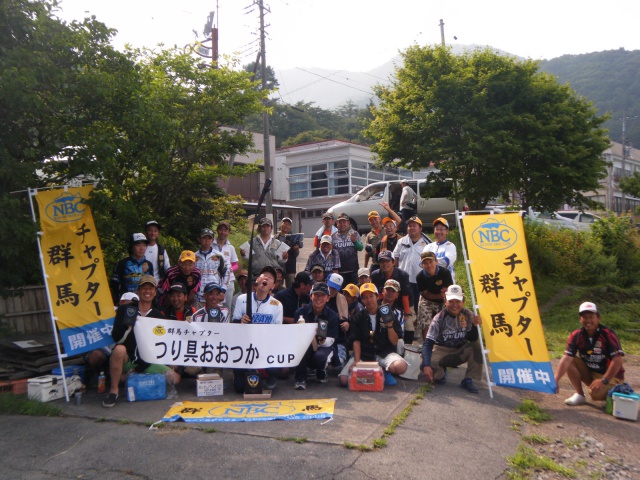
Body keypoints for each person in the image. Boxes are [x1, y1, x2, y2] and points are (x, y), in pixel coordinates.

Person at [102, 275, 180, 407]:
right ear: (138, 291)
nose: (147, 291)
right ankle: (114, 391)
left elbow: (166, 340)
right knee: (119, 349)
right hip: (129, 359)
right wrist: (128, 327)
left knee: (176, 378)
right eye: (144, 288)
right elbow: (115, 337)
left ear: (155, 292)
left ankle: (130, 377)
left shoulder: (158, 315)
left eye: (151, 288)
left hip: (147, 361)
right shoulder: (125, 310)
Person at [554, 302, 625, 406]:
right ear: (580, 319)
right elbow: (567, 358)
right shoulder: (576, 335)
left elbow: (618, 360)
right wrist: (555, 380)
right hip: (591, 374)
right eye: (584, 317)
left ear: (598, 318)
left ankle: (617, 392)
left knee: (595, 394)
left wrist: (604, 380)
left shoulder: (607, 334)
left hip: (611, 376)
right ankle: (579, 395)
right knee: (571, 360)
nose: (588, 320)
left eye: (591, 317)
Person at [339, 283, 407, 387]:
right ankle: (374, 373)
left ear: (378, 296)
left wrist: (389, 326)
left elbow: (394, 341)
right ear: (362, 300)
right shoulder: (358, 317)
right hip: (365, 354)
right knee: (343, 380)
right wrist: (357, 361)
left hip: (384, 353)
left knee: (401, 366)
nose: (369, 300)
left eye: (371, 296)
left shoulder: (388, 313)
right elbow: (356, 340)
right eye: (365, 297)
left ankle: (384, 370)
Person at [421, 285, 483, 394]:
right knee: (427, 368)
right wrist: (426, 365)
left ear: (463, 301)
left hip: (459, 351)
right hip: (441, 350)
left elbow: (473, 338)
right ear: (445, 301)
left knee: (476, 345)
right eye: (451, 301)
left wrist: (474, 325)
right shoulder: (438, 318)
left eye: (457, 301)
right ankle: (441, 372)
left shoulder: (468, 314)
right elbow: (428, 343)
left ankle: (468, 379)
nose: (454, 305)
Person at [231, 266, 283, 392]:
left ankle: (270, 376)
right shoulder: (242, 299)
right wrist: (241, 321)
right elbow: (234, 324)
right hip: (244, 347)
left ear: (273, 286)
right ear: (257, 280)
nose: (266, 278)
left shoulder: (276, 305)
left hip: (266, 346)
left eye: (270, 278)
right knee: (239, 388)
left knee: (277, 369)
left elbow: (278, 331)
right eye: (264, 275)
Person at [293, 282, 341, 390]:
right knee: (300, 349)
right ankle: (300, 378)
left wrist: (323, 340)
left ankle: (321, 369)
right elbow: (294, 336)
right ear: (311, 296)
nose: (319, 298)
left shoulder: (332, 315)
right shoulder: (300, 312)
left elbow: (333, 339)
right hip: (304, 346)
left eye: (323, 295)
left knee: (321, 356)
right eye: (316, 295)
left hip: (324, 347)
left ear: (328, 298)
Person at [371, 250, 414, 343]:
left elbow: (405, 295)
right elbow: (376, 294)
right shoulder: (375, 275)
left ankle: (407, 347)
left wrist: (406, 313)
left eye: (387, 261)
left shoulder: (403, 275)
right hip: (384, 302)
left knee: (408, 326)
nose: (385, 264)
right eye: (382, 262)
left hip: (403, 303)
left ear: (393, 262)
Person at [393, 215, 430, 313]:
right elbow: (395, 259)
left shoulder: (427, 243)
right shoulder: (401, 241)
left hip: (420, 282)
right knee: (404, 306)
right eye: (409, 226)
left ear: (420, 228)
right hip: (403, 281)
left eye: (414, 226)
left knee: (419, 307)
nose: (411, 228)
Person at [416, 251, 453, 340]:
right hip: (427, 299)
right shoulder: (419, 277)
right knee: (426, 323)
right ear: (422, 265)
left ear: (436, 261)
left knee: (446, 321)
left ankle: (445, 343)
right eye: (425, 263)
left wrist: (444, 295)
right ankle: (426, 345)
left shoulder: (445, 273)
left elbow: (449, 288)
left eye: (431, 262)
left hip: (444, 298)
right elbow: (425, 294)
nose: (429, 265)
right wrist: (439, 296)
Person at [110, 233, 153, 303]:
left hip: (144, 302)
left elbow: (151, 286)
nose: (141, 248)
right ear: (132, 247)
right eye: (138, 245)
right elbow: (114, 284)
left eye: (144, 245)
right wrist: (118, 301)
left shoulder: (149, 265)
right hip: (126, 301)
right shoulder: (122, 263)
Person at [194, 228, 226, 309]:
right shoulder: (194, 256)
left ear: (212, 240)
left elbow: (226, 274)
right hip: (198, 297)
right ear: (199, 239)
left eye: (209, 238)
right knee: (198, 319)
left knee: (215, 319)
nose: (207, 241)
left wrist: (223, 290)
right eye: (204, 238)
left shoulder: (219, 256)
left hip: (215, 296)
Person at [212, 221, 239, 308]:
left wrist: (231, 269)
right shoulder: (211, 245)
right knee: (214, 304)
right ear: (217, 230)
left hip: (228, 280)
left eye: (225, 230)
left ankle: (227, 321)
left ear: (228, 232)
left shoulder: (230, 247)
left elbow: (236, 264)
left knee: (227, 306)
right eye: (221, 230)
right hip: (214, 278)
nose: (223, 232)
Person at [332, 212, 363, 286]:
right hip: (339, 272)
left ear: (348, 222)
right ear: (337, 223)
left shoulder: (354, 234)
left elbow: (361, 248)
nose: (342, 224)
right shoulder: (333, 237)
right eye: (340, 222)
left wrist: (355, 242)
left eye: (344, 222)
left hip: (353, 271)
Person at [326, 273, 350, 368]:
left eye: (334, 288)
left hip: (338, 339)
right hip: (322, 338)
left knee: (339, 364)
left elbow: (346, 319)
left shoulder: (341, 299)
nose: (331, 291)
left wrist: (347, 323)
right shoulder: (318, 297)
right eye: (330, 287)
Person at [423, 217, 457, 281]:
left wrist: (429, 263)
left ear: (447, 231)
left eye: (441, 229)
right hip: (431, 282)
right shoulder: (428, 246)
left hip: (447, 282)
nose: (438, 232)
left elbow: (445, 262)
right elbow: (421, 263)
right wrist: (432, 263)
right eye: (437, 229)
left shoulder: (451, 246)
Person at [275, 217, 302, 288]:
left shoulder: (294, 238)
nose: (286, 226)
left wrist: (296, 250)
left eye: (288, 224)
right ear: (281, 224)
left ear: (290, 227)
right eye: (284, 223)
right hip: (278, 268)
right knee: (277, 288)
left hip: (290, 267)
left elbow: (296, 254)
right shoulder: (275, 238)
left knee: (291, 289)